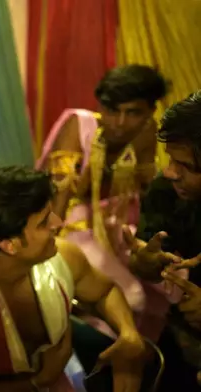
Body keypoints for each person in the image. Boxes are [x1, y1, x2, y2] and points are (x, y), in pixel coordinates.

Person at [0, 166, 146, 392]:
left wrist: (127, 331)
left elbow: (105, 292)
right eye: (43, 223)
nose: (58, 223)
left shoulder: (64, 257)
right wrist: (37, 382)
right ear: (9, 244)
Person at [36, 65, 169, 337]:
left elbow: (146, 192)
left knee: (167, 277)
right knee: (129, 295)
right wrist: (44, 250)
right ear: (101, 106)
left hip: (117, 222)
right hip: (67, 221)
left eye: (133, 112)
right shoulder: (79, 123)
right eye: (112, 110)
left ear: (150, 112)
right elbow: (61, 192)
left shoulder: (147, 132)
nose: (120, 122)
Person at [124, 90, 201, 391]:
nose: (170, 172)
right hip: (183, 342)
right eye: (170, 159)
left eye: (185, 165)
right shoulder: (166, 192)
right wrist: (143, 262)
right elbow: (146, 258)